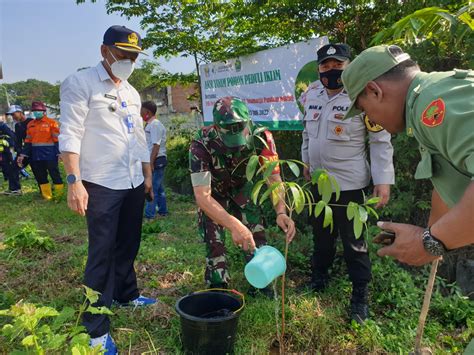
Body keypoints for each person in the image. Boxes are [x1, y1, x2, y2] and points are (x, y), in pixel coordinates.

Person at [59, 25, 155, 354]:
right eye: (123, 54)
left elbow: (139, 137)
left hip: (130, 181)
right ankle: (96, 327)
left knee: (129, 242)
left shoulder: (130, 91)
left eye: (134, 57)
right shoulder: (80, 83)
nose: (128, 61)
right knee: (101, 251)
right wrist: (74, 181)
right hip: (100, 183)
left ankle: (127, 293)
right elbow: (69, 134)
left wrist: (147, 175)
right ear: (104, 51)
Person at [341, 44, 474, 266]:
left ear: (375, 90)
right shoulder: (427, 98)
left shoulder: (432, 104)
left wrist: (432, 242)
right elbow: (445, 178)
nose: (371, 121)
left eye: (365, 111)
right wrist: (430, 232)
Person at [299, 43, 395, 323]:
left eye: (338, 65)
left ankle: (359, 298)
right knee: (321, 238)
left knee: (354, 243)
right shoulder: (311, 95)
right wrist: (306, 163)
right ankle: (318, 280)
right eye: (326, 66)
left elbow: (380, 140)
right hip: (318, 183)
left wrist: (383, 180)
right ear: (318, 69)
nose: (332, 71)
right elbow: (307, 134)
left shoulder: (362, 95)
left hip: (350, 185)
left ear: (348, 66)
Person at [189, 96, 296, 294]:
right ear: (216, 127)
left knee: (255, 234)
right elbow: (203, 196)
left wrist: (281, 211)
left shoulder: (262, 137)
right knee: (214, 240)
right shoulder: (201, 143)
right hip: (214, 193)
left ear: (248, 123)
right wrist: (233, 224)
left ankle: (261, 282)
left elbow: (274, 180)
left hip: (243, 189)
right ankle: (218, 287)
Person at [17, 101, 63, 200]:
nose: (36, 112)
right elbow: (28, 141)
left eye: (38, 110)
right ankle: (47, 197)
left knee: (55, 174)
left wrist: (59, 153)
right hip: (36, 156)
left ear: (44, 111)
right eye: (34, 111)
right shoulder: (30, 124)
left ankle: (59, 196)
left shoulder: (52, 123)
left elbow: (57, 140)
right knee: (41, 176)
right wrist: (23, 154)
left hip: (50, 155)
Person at [141, 100, 168, 219]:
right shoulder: (150, 124)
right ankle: (163, 211)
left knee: (152, 188)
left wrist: (150, 163)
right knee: (159, 187)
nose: (140, 113)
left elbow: (156, 145)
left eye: (141, 110)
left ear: (147, 111)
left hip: (157, 160)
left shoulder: (155, 125)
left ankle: (149, 215)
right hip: (155, 160)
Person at [7, 104, 32, 179]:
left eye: (13, 114)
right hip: (25, 152)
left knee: (39, 172)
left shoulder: (31, 122)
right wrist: (19, 152)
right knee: (13, 168)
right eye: (11, 115)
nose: (13, 117)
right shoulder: (17, 125)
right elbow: (18, 141)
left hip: (35, 150)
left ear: (20, 112)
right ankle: (15, 189)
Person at [0, 119, 20, 194]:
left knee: (11, 168)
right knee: (6, 169)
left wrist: (9, 144)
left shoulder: (2, 126)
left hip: (6, 152)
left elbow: (12, 136)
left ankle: (15, 188)